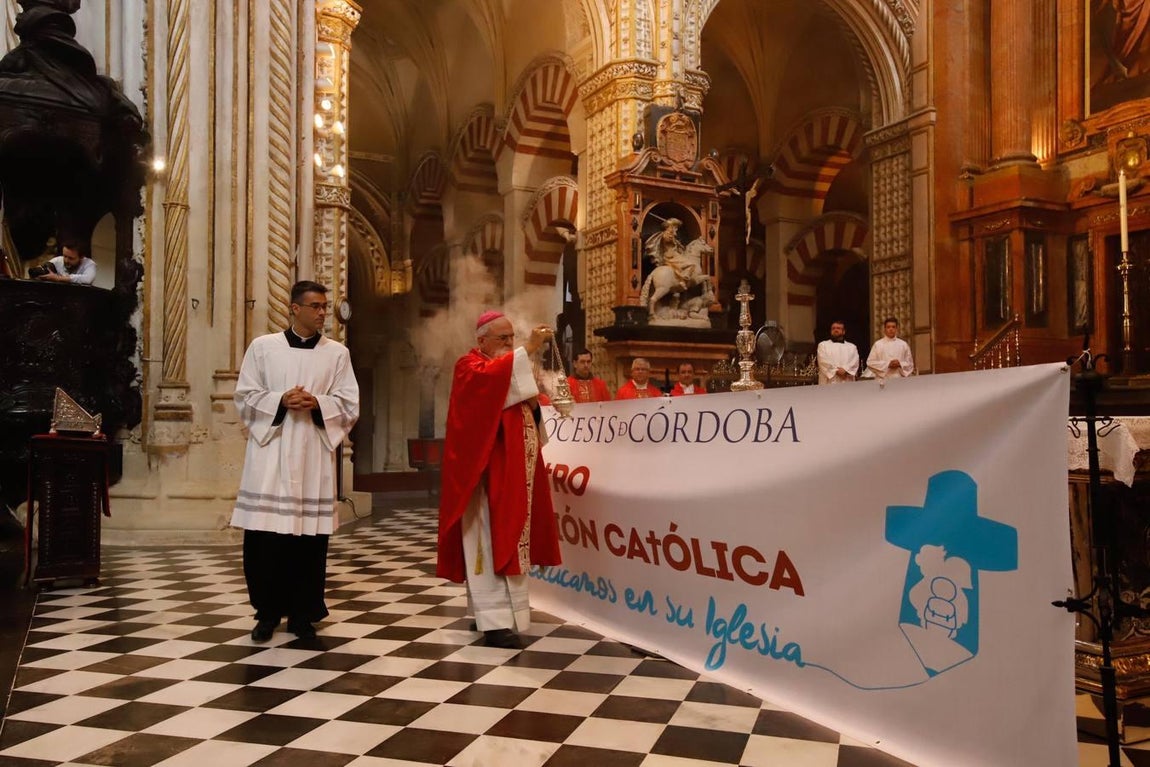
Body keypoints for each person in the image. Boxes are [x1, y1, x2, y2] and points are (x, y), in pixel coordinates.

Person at [230, 280, 360, 642]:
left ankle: (303, 614)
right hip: (271, 455)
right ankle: (266, 614)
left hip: (312, 455)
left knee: (309, 541)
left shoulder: (337, 354)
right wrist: (280, 400)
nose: (322, 313)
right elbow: (244, 396)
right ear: (294, 309)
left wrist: (318, 403)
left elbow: (349, 403)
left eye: (324, 306)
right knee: (265, 539)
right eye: (315, 306)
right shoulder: (263, 348)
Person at [436, 311, 563, 649]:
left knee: (508, 539)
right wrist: (530, 348)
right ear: (482, 341)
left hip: (511, 477)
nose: (510, 344)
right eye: (503, 339)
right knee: (486, 545)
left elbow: (523, 410)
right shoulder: (470, 367)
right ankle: (493, 623)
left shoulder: (506, 373)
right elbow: (490, 389)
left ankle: (500, 617)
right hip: (482, 478)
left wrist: (536, 404)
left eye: (512, 338)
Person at [866, 317, 915, 384]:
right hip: (882, 381)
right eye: (888, 327)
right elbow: (870, 363)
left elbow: (910, 364)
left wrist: (900, 364)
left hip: (900, 380)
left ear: (897, 329)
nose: (891, 329)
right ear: (884, 329)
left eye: (893, 327)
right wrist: (888, 364)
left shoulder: (903, 344)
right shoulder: (878, 344)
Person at [816, 321, 860, 385]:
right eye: (833, 328)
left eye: (838, 328)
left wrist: (845, 370)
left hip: (847, 380)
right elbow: (823, 361)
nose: (835, 330)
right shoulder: (823, 345)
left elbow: (854, 361)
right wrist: (836, 371)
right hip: (829, 381)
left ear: (844, 331)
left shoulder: (852, 347)